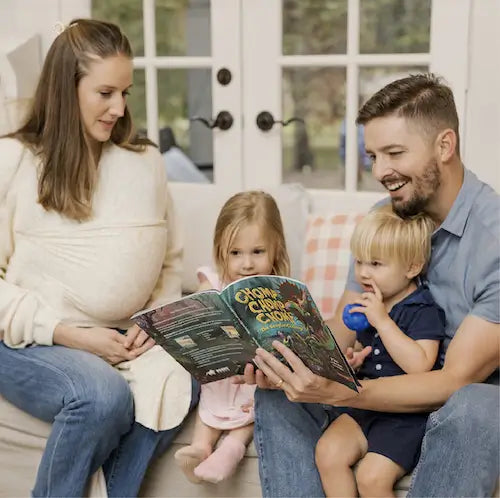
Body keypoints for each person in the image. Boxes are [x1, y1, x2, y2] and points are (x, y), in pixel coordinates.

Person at [236, 73, 500, 497]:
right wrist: (285, 359)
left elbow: (456, 381)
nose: (380, 171)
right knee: (278, 395)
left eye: (394, 153)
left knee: (478, 405)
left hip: (452, 403)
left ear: (444, 146)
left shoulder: (494, 239)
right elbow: (342, 328)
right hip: (374, 387)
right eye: (372, 156)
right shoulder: (383, 217)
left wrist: (346, 392)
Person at [0, 19, 198, 497]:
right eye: (105, 92)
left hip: (125, 336)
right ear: (67, 89)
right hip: (31, 338)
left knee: (189, 374)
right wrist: (71, 335)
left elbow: (169, 260)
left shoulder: (144, 161)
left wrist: (153, 324)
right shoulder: (15, 160)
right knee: (100, 396)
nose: (119, 108)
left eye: (125, 92)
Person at [315, 204, 445, 497]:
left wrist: (383, 322)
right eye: (359, 262)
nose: (363, 273)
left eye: (376, 264)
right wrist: (355, 359)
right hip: (365, 404)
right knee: (328, 452)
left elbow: (421, 365)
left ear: (411, 267)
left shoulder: (421, 309)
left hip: (405, 416)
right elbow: (369, 351)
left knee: (372, 478)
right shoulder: (370, 303)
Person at [174, 190, 291, 484]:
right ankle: (201, 447)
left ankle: (233, 447)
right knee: (209, 401)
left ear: (276, 249)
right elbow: (197, 305)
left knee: (258, 404)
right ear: (220, 251)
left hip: (257, 378)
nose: (246, 264)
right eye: (235, 253)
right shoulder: (213, 282)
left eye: (257, 252)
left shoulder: (282, 293)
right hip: (220, 375)